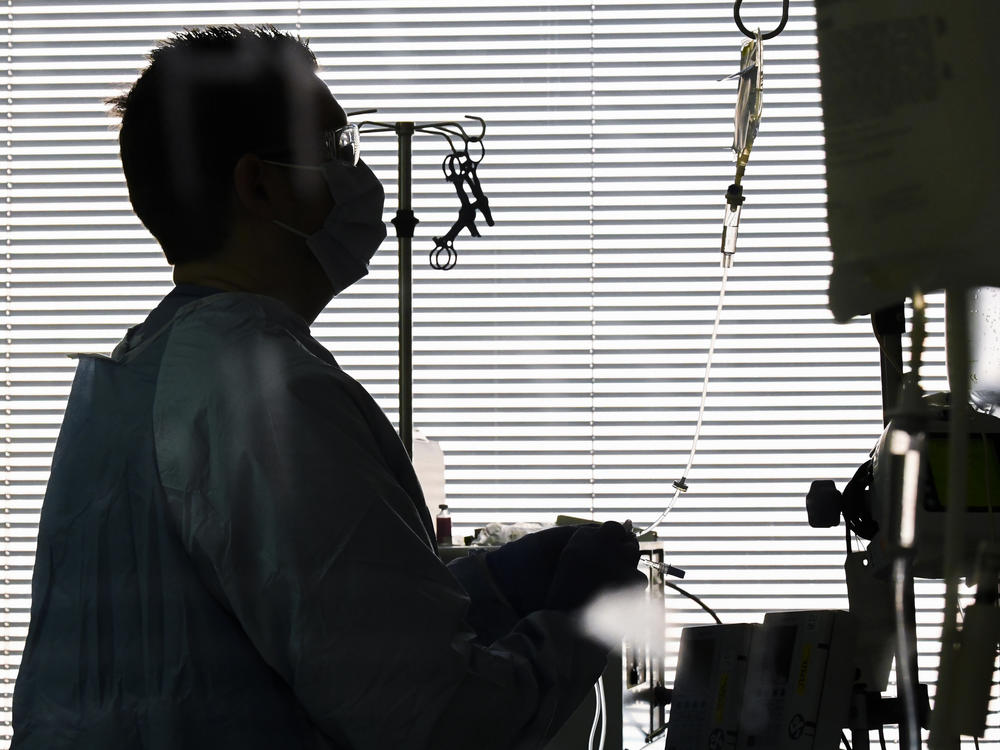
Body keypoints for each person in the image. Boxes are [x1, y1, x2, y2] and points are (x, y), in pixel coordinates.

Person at [11, 25, 645, 750]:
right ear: (260, 183)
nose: (360, 174)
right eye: (338, 148)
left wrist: (490, 592)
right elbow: (433, 721)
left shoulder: (144, 374)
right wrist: (581, 629)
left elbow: (268, 635)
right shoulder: (264, 396)